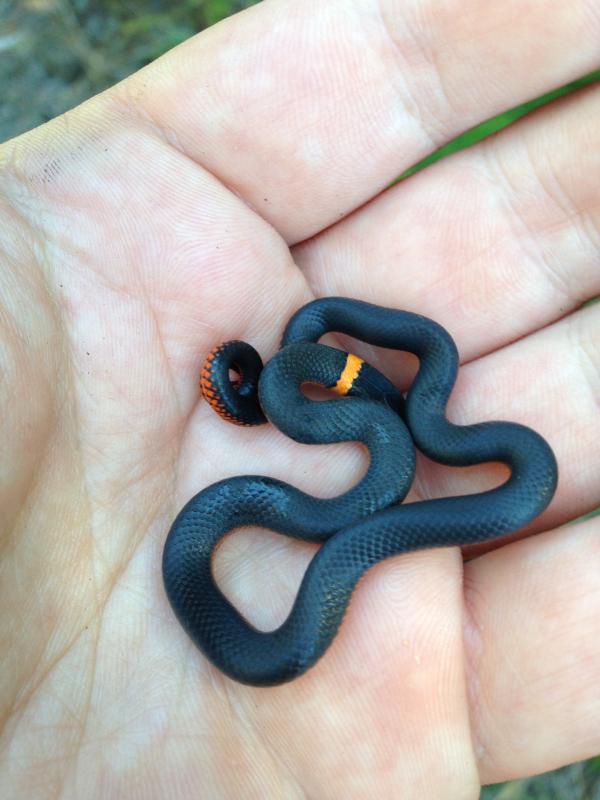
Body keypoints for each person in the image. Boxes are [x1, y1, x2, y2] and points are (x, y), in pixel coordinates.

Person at [1, 1, 598, 797]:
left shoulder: (376, 410)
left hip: (349, 427)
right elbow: (302, 382)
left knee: (366, 472)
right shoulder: (343, 401)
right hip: (345, 414)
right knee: (356, 471)